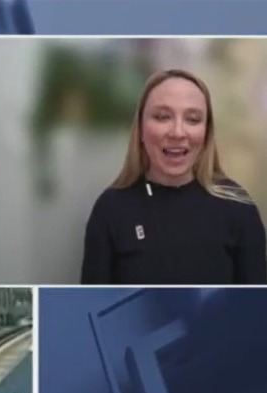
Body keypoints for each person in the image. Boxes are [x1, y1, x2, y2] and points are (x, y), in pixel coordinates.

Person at [80, 68, 267, 285]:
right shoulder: (110, 209)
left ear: (206, 133)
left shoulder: (238, 207)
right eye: (162, 117)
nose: (178, 132)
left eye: (193, 119)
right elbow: (91, 308)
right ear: (140, 129)